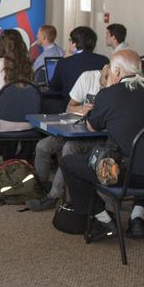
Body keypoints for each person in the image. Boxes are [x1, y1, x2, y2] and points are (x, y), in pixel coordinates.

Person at [58, 50, 144, 240]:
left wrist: (108, 89)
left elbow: (92, 127)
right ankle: (137, 216)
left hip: (121, 174)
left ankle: (104, 219)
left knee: (69, 162)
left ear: (116, 70)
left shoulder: (109, 95)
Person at [27, 65, 111, 212]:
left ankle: (54, 196)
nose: (105, 83)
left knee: (69, 148)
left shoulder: (116, 89)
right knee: (42, 146)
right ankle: (39, 188)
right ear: (104, 68)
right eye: (104, 78)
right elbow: (69, 108)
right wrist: (82, 109)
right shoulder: (88, 77)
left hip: (97, 137)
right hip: (76, 128)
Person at [0, 29, 35, 133]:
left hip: (2, 121)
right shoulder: (29, 65)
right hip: (28, 122)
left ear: (0, 45)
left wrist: (1, 90)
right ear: (21, 44)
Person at [48, 26, 109, 96]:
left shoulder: (64, 63)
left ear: (74, 44)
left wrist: (64, 59)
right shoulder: (104, 60)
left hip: (70, 105)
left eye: (70, 40)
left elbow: (54, 87)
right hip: (97, 104)